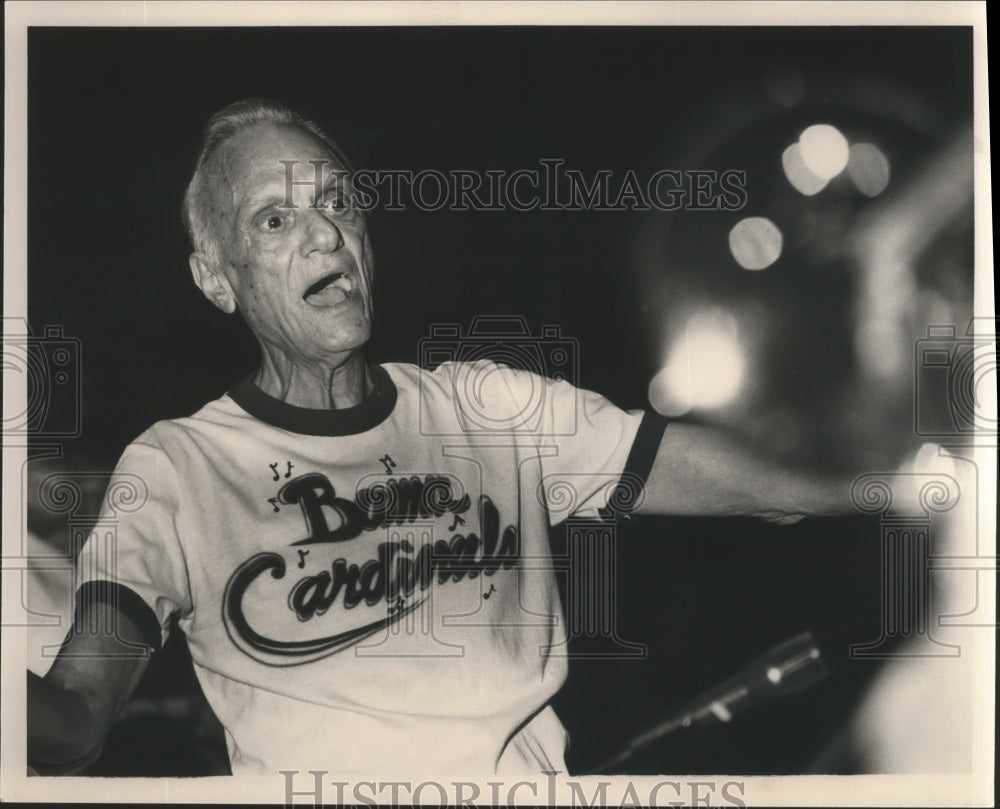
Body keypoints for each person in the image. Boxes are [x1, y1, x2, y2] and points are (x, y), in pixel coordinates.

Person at [27, 98, 854, 777]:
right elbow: (74, 721)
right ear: (216, 278)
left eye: (337, 201)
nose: (324, 235)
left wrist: (935, 470)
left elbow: (766, 480)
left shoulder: (489, 408)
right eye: (275, 220)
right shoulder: (176, 469)